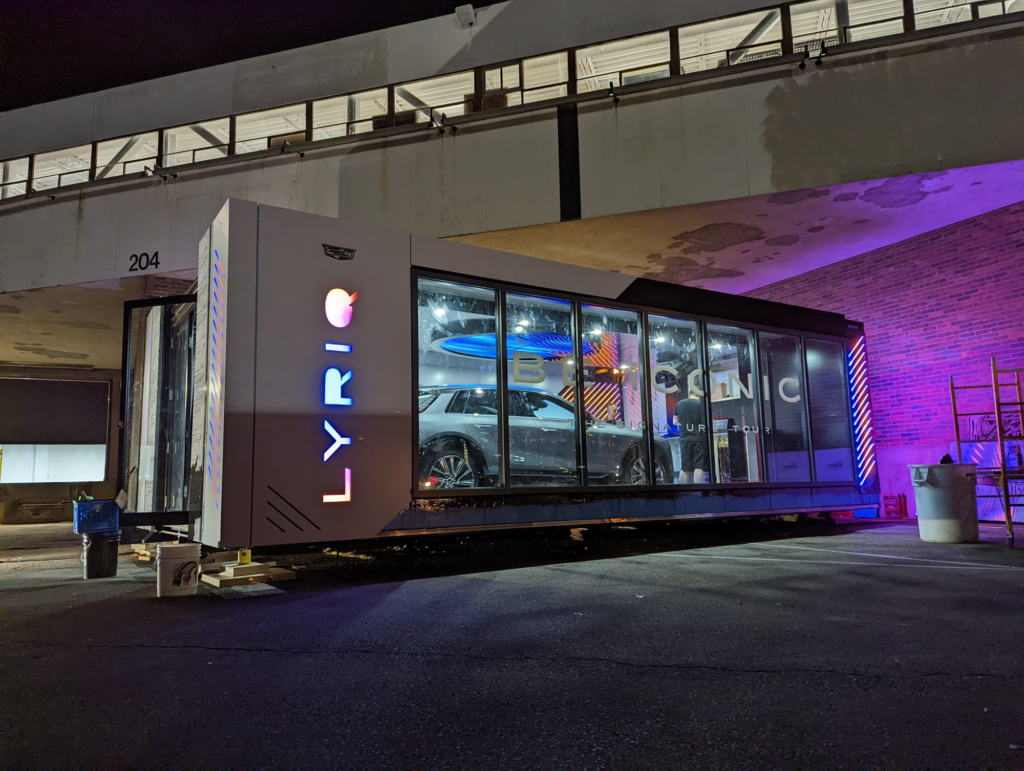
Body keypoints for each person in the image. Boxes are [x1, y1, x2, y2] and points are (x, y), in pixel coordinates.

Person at [673, 389, 707, 484]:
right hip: (698, 439)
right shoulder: (701, 404)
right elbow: (707, 421)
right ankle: (698, 489)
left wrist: (684, 424)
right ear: (699, 395)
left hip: (684, 439)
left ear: (689, 394)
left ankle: (683, 490)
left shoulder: (679, 404)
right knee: (699, 466)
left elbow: (674, 422)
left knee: (685, 467)